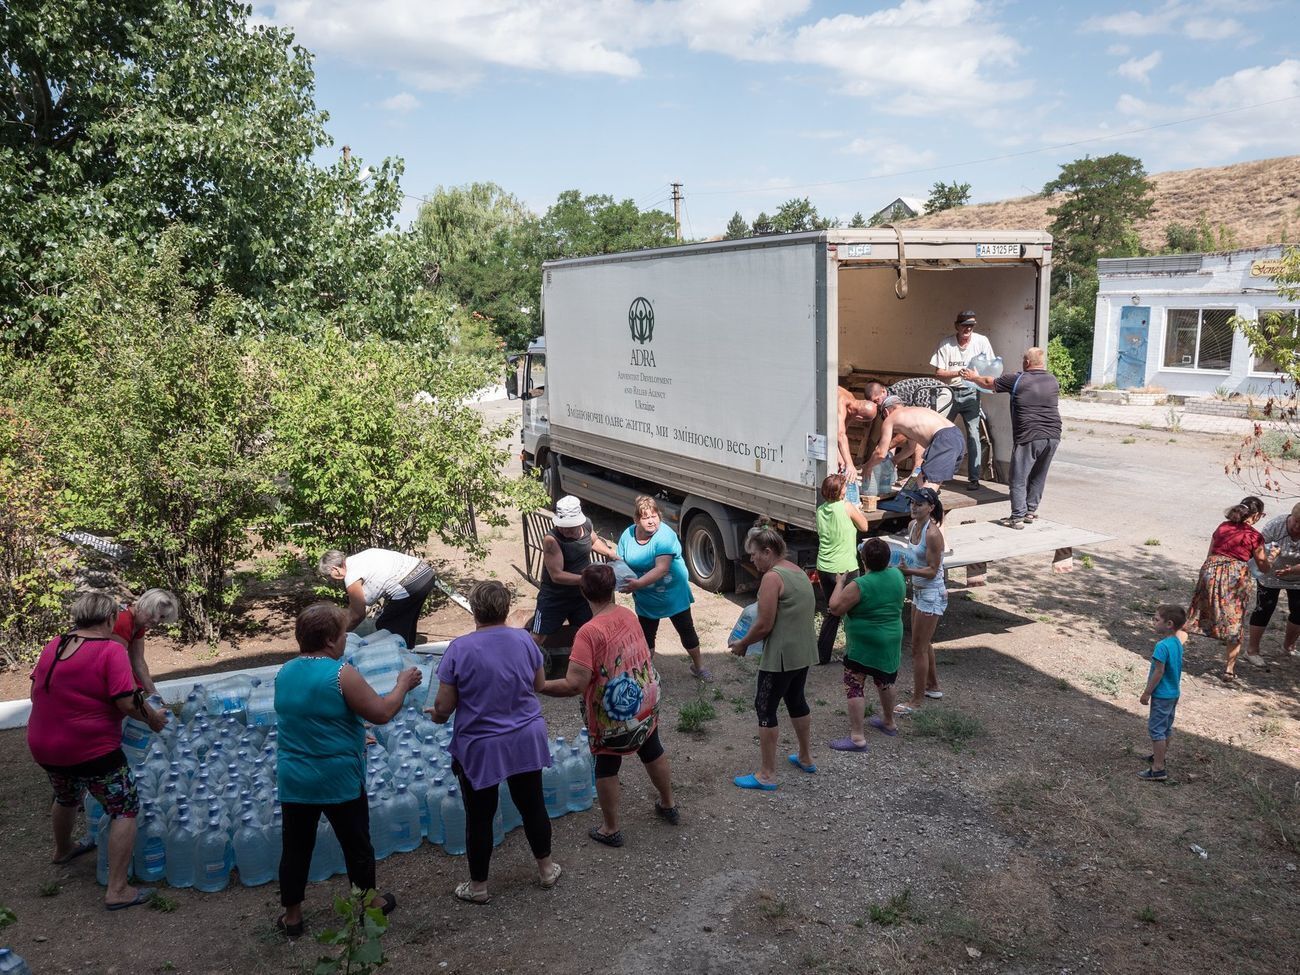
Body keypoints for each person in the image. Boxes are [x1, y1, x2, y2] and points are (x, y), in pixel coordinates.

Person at [275, 602, 423, 935]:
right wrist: (403, 684)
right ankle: (368, 905)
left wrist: (355, 732)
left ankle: (293, 917)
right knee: (356, 843)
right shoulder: (341, 673)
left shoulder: (285, 672)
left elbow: (310, 717)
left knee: (296, 847)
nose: (346, 639)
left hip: (295, 776)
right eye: (343, 634)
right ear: (330, 640)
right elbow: (382, 712)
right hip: (337, 776)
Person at [27, 592, 169, 910]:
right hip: (90, 748)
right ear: (108, 620)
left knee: (66, 795)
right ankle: (118, 889)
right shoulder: (109, 650)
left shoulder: (56, 644)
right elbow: (126, 700)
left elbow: (35, 689)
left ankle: (63, 849)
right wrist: (153, 718)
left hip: (43, 742)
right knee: (125, 807)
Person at [427, 582, 560, 904]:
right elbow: (539, 684)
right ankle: (545, 869)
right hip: (525, 736)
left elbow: (444, 706)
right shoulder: (525, 641)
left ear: (474, 610)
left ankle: (479, 887)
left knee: (480, 815)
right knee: (532, 805)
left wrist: (437, 715)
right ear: (505, 608)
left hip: (481, 744)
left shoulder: (459, 649)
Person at [541, 564, 677, 847]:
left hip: (617, 714)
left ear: (583, 592)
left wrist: (539, 686)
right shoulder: (628, 614)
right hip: (645, 700)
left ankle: (610, 828)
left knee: (606, 765)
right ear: (613, 587)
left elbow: (575, 684)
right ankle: (668, 803)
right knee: (652, 748)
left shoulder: (589, 633)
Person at [728, 522, 817, 790]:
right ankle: (805, 756)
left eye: (754, 554)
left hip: (780, 656)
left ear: (767, 551)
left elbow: (765, 624)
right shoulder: (797, 571)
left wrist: (743, 643)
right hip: (802, 651)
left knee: (765, 707)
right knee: (796, 700)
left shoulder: (772, 578)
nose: (752, 560)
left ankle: (767, 774)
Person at [616, 496, 712, 681]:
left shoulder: (665, 535)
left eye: (654, 516)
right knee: (647, 636)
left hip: (673, 593)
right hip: (646, 596)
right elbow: (620, 559)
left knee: (686, 631)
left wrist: (636, 584)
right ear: (636, 520)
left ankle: (699, 667)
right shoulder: (628, 535)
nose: (651, 521)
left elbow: (662, 568)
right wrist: (619, 576)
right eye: (645, 517)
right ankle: (645, 673)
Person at [963, 347, 1061, 529]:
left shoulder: (1017, 379)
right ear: (1042, 363)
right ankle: (1030, 511)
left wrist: (972, 377)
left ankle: (1017, 517)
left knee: (1017, 477)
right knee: (1039, 474)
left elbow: (988, 382)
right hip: (1053, 435)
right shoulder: (1053, 380)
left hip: (1029, 435)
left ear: (1026, 363)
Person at [827, 538, 907, 750]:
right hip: (891, 639)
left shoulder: (860, 585)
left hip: (864, 644)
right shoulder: (897, 575)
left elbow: (835, 608)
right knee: (885, 681)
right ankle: (889, 722)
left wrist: (839, 583)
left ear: (864, 561)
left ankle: (857, 737)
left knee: (854, 685)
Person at [1187, 497, 1273, 682]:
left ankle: (1172, 654)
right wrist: (1272, 556)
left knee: (1195, 614)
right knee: (1234, 620)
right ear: (1256, 515)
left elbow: (1210, 553)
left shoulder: (1222, 527)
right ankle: (1229, 670)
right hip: (1234, 577)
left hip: (1209, 569)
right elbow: (1264, 567)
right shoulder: (1254, 536)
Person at [532, 495, 617, 648]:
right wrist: (587, 578)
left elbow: (594, 541)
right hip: (555, 597)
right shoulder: (552, 540)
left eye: (570, 526)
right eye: (562, 526)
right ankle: (525, 663)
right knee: (537, 637)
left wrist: (609, 553)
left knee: (592, 630)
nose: (565, 530)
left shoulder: (586, 525)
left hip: (581, 595)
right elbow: (556, 575)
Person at [894, 488, 947, 715]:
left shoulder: (933, 534)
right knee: (923, 643)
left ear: (931, 508)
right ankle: (932, 686)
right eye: (912, 503)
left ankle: (916, 701)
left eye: (919, 504)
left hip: (932, 592)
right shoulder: (912, 526)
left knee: (917, 649)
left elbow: (934, 571)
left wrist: (908, 571)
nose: (914, 507)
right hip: (918, 591)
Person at [318, 548, 437, 648]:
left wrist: (339, 636)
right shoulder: (359, 558)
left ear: (335, 569)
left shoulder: (351, 575)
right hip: (425, 574)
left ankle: (401, 661)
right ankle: (409, 651)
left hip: (411, 584)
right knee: (406, 622)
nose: (331, 578)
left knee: (386, 627)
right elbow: (358, 604)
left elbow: (357, 614)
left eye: (329, 575)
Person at [931, 310, 995, 491]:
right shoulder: (946, 344)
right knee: (940, 432)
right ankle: (935, 474)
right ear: (957, 326)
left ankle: (974, 478)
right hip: (949, 392)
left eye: (971, 326)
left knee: (974, 434)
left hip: (972, 392)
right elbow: (939, 372)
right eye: (965, 325)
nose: (968, 329)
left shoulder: (981, 341)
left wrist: (977, 378)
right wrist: (958, 372)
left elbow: (991, 367)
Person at [816, 473, 872, 665]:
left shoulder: (820, 510)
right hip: (846, 568)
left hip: (825, 567)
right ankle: (855, 653)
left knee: (832, 612)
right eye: (844, 487)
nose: (846, 489)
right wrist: (857, 509)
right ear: (839, 492)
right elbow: (864, 526)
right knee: (854, 612)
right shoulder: (847, 507)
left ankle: (822, 655)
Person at [863, 397, 964, 491]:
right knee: (920, 479)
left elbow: (880, 453)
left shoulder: (891, 419)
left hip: (944, 440)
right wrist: (894, 460)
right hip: (956, 435)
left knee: (928, 489)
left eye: (883, 417)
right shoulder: (913, 413)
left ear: (886, 412)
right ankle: (922, 503)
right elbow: (911, 449)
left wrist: (868, 467)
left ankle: (927, 504)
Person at [1245, 501, 1300, 664]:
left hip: (1297, 576)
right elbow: (1257, 549)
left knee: (1299, 611)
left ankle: (1288, 647)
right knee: (1264, 608)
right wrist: (1268, 561)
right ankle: (1252, 651)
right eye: (1295, 521)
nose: (1297, 527)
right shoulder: (1276, 525)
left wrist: (1292, 570)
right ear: (1291, 516)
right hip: (1270, 573)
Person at [1138, 605, 1187, 782]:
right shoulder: (1177, 642)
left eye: (1156, 619)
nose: (1153, 622)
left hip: (1162, 695)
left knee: (1156, 730)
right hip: (1173, 693)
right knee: (1165, 728)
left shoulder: (1161, 646)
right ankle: (1159, 756)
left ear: (1169, 624)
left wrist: (1146, 693)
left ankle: (1158, 768)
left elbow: (1158, 672)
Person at [109, 588, 179, 696]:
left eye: (162, 617)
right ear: (144, 604)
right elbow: (119, 665)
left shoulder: (138, 624)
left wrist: (153, 693)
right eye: (153, 613)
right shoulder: (123, 620)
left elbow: (138, 661)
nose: (156, 620)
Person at [836, 386, 877, 484]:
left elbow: (839, 436)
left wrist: (841, 460)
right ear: (859, 418)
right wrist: (849, 464)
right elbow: (840, 435)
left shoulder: (851, 404)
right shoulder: (841, 403)